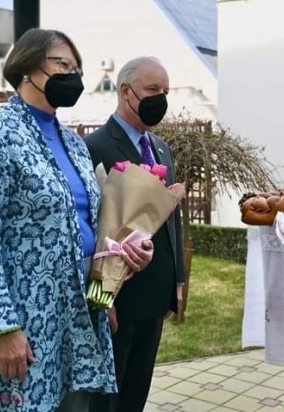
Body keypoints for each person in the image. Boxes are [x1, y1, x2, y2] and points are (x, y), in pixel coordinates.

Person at [0, 28, 153, 412]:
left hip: (80, 308)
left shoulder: (73, 142)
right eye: (62, 64)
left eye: (77, 68)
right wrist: (3, 327)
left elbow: (92, 226)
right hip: (26, 313)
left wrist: (116, 272)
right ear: (27, 67)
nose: (73, 76)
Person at [86, 57, 185, 412]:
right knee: (108, 399)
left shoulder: (161, 147)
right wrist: (101, 299)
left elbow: (173, 219)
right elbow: (93, 230)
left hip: (154, 295)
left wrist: (177, 280)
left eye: (166, 92)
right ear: (126, 91)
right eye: (153, 90)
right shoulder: (94, 146)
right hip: (117, 298)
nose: (161, 99)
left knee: (136, 394)